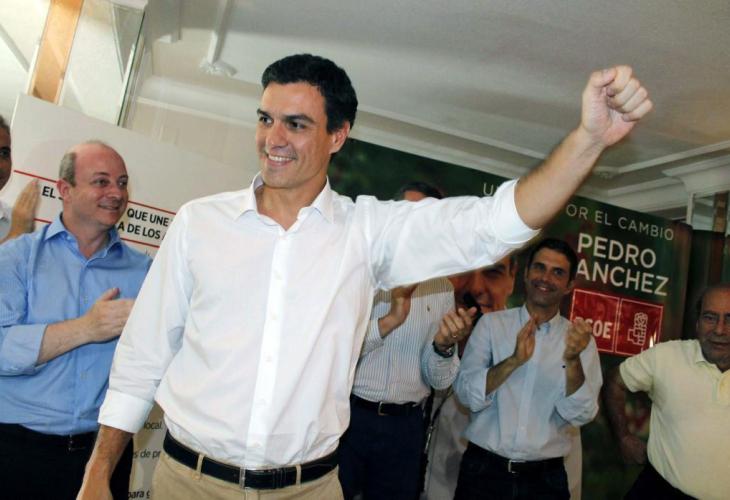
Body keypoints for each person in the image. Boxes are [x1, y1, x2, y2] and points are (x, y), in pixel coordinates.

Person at [79, 54, 651, 499]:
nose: (273, 139)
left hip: (308, 489)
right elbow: (143, 356)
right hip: (189, 482)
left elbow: (495, 224)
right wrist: (99, 471)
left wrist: (588, 140)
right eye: (266, 118)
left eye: (296, 124)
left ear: (337, 136)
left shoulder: (366, 233)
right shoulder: (200, 223)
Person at [0, 141, 151, 499]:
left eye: (122, 182)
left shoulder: (146, 272)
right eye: (101, 182)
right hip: (15, 451)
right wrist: (87, 328)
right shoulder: (17, 258)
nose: (117, 193)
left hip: (102, 457)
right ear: (65, 189)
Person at [338, 182, 475, 499]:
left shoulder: (441, 288)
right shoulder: (362, 270)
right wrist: (391, 320)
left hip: (404, 427)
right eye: (407, 214)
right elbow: (337, 352)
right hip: (349, 417)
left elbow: (439, 380)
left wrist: (444, 346)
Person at [453, 238, 602, 499]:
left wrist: (572, 360)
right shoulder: (491, 325)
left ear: (569, 285)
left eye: (557, 272)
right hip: (483, 472)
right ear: (525, 273)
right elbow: (465, 394)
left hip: (545, 481)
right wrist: (513, 361)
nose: (545, 278)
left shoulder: (579, 340)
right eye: (539, 267)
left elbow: (581, 414)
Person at [604, 283, 730, 500]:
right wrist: (623, 437)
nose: (719, 329)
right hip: (658, 491)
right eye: (710, 317)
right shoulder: (667, 357)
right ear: (697, 323)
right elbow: (615, 380)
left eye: (729, 319)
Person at [422, 254, 516, 499]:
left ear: (513, 279)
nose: (474, 288)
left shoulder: (528, 356)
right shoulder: (419, 331)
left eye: (492, 272)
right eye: (462, 268)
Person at [0, 114, 40, 243]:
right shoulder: (19, 226)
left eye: (4, 153)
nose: (0, 165)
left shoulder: (16, 219)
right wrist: (16, 234)